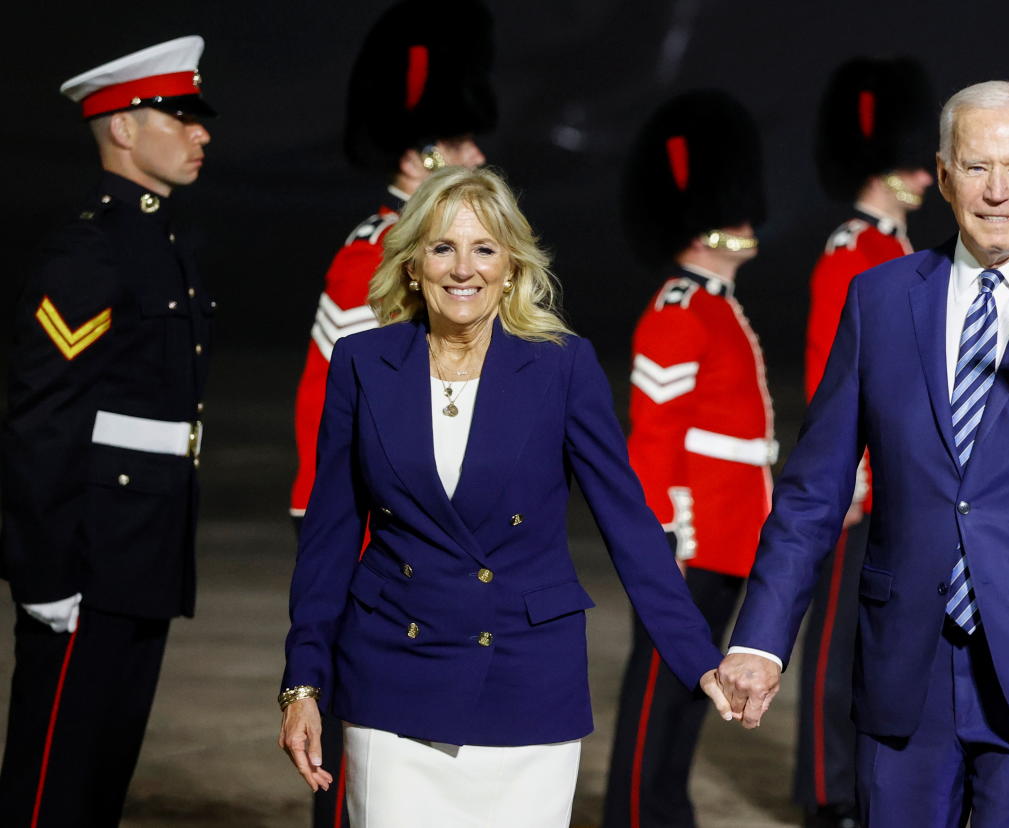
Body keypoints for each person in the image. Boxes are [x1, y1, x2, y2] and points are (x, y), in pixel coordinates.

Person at [718, 80, 1009, 826]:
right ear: (943, 177)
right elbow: (814, 489)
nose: (998, 192)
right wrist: (761, 639)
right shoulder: (878, 298)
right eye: (976, 168)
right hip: (907, 669)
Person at [277, 166, 732, 827]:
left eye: (484, 249)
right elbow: (328, 543)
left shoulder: (561, 365)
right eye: (442, 247)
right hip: (395, 671)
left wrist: (698, 659)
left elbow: (630, 527)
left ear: (512, 265)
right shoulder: (363, 365)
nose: (464, 269)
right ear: (411, 266)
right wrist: (302, 683)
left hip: (527, 676)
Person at [287, 4, 496, 822]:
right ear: (426, 151)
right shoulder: (378, 249)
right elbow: (354, 416)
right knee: (355, 740)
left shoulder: (421, 248)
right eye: (465, 142)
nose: (480, 154)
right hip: (372, 529)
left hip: (413, 525)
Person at [0, 36, 215, 826]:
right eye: (181, 117)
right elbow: (41, 421)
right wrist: (46, 575)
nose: (202, 135)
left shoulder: (165, 244)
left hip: (144, 547)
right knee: (50, 788)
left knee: (99, 786)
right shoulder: (90, 248)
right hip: (87, 557)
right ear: (123, 128)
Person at [601, 89, 774, 828]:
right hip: (693, 541)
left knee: (690, 692)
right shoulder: (679, 309)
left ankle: (664, 809)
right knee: (658, 692)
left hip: (728, 537)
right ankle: (636, 814)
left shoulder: (716, 305)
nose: (749, 225)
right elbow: (652, 440)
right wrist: (661, 539)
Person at [797, 56, 934, 828]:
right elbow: (830, 373)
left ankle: (862, 786)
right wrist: (845, 480)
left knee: (879, 642)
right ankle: (825, 791)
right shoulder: (854, 250)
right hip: (860, 485)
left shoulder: (892, 247)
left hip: (899, 480)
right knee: (835, 650)